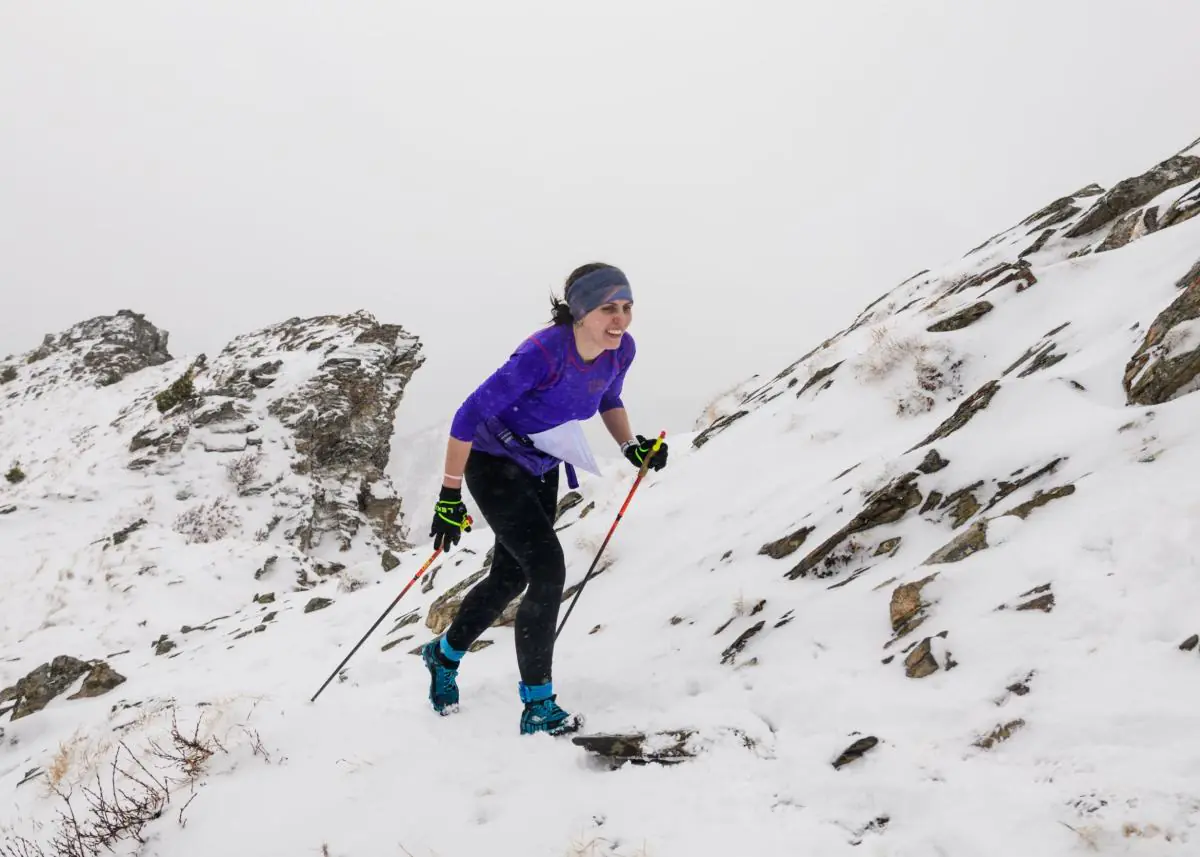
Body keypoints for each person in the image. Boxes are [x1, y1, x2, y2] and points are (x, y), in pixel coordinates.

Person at [419, 262, 668, 735]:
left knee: (511, 575)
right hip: (492, 462)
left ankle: (443, 655)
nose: (620, 319)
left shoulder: (620, 350)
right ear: (580, 312)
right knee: (548, 569)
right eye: (608, 309)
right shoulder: (542, 354)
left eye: (627, 307)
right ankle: (538, 706)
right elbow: (467, 416)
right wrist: (449, 497)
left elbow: (608, 398)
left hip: (541, 462)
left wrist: (629, 445)